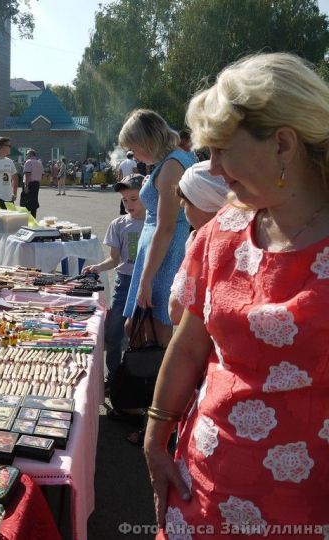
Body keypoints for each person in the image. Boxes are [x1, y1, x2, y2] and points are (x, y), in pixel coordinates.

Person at [145, 52, 329, 538]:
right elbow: (188, 346)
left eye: (222, 150)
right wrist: (154, 436)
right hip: (200, 490)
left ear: (284, 144)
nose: (214, 168)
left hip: (306, 505)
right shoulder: (222, 231)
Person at [119, 109, 196, 347]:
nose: (134, 155)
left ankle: (155, 382)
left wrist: (146, 278)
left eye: (134, 148)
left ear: (147, 141)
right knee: (141, 328)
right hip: (158, 252)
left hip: (164, 253)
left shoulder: (171, 165)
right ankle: (150, 381)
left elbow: (165, 227)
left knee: (155, 329)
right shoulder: (172, 160)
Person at [83, 174, 145, 387]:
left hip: (149, 283)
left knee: (143, 333)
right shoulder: (118, 224)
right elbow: (114, 258)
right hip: (124, 282)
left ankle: (142, 378)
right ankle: (115, 377)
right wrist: (98, 267)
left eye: (134, 199)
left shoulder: (157, 223)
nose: (128, 204)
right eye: (124, 200)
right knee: (114, 332)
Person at [167, 161, 230, 325]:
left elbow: (176, 312)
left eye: (186, 201)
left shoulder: (206, 243)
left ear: (205, 203)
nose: (182, 205)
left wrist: (191, 255)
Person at [22, 149, 43, 217]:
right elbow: (41, 175)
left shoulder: (28, 162)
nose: (26, 155)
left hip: (29, 184)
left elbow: (28, 174)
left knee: (25, 202)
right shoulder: (39, 163)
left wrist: (26, 186)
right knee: (34, 201)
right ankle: (33, 218)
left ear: (30, 154)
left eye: (27, 154)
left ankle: (24, 219)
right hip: (36, 184)